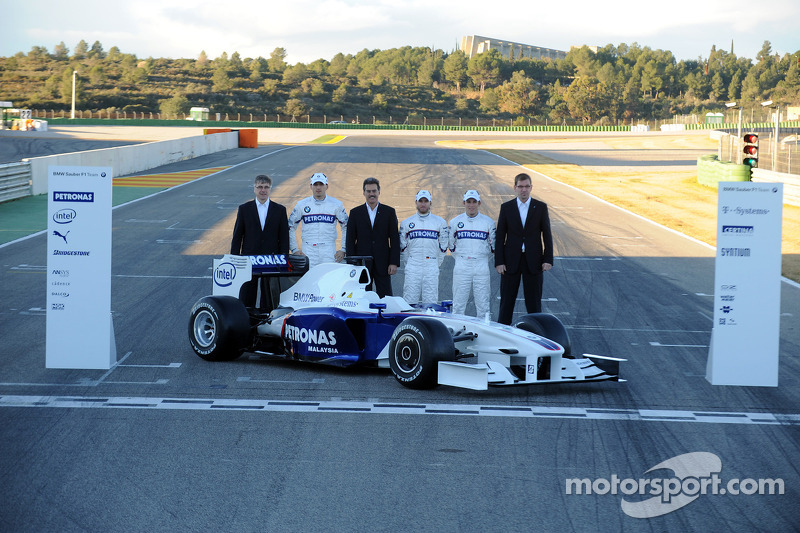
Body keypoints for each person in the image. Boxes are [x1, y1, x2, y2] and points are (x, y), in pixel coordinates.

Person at [495, 173, 553, 325]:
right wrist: (499, 262)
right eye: (520, 186)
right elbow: (500, 237)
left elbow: (547, 234)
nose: (523, 190)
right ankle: (503, 335)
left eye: (527, 186)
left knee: (534, 305)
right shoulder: (506, 208)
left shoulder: (540, 207)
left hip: (533, 262)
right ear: (515, 188)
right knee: (506, 303)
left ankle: (536, 337)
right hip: (510, 262)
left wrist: (548, 259)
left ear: (531, 187)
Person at [230, 174, 289, 310]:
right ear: (254, 189)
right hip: (249, 259)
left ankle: (267, 320)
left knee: (269, 295)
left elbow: (284, 236)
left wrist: (283, 257)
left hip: (271, 259)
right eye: (260, 187)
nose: (263, 190)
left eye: (266, 187)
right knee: (247, 294)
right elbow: (238, 235)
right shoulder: (244, 209)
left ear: (270, 189)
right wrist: (234, 257)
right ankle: (246, 320)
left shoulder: (280, 210)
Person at [345, 177, 400, 298]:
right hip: (362, 263)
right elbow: (350, 239)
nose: (371, 194)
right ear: (363, 192)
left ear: (379, 192)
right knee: (362, 297)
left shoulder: (389, 212)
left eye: (374, 191)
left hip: (383, 263)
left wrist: (393, 262)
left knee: (386, 298)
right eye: (368, 191)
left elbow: (395, 239)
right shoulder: (355, 213)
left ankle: (386, 316)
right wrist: (351, 263)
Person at [449, 190, 496, 318]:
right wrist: (462, 257)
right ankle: (457, 331)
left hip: (481, 265)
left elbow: (493, 247)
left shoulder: (488, 222)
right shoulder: (455, 222)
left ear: (479, 203)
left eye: (474, 202)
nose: (471, 205)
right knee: (458, 304)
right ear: (464, 203)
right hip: (462, 264)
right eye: (468, 202)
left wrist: (480, 257)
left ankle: (484, 335)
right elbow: (451, 245)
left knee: (483, 306)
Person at [288, 172, 348, 269]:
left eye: (321, 184)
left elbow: (346, 226)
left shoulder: (336, 204)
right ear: (311, 186)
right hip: (308, 251)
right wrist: (294, 249)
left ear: (326, 186)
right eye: (315, 184)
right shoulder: (301, 205)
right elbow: (290, 227)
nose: (318, 188)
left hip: (329, 251)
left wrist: (343, 249)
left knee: (328, 280)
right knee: (309, 281)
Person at [399, 190, 448, 304]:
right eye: (420, 201)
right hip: (413, 266)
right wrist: (410, 262)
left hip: (431, 265)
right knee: (409, 301)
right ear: (416, 202)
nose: (423, 204)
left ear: (430, 203)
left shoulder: (440, 222)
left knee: (430, 302)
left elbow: (443, 246)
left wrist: (435, 262)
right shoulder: (407, 223)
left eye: (426, 201)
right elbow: (403, 246)